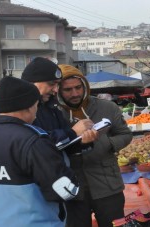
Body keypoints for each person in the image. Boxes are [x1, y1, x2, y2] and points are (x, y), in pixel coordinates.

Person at [0, 77, 79, 226]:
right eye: (36, 105)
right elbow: (65, 190)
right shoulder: (33, 140)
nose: (37, 110)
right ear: (28, 105)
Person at [57, 64, 133, 227]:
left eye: (78, 87)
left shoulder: (107, 107)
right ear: (58, 91)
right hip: (73, 189)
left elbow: (125, 134)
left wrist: (106, 143)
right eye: (68, 90)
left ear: (85, 85)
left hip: (107, 184)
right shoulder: (55, 114)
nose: (75, 93)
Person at [21, 57, 98, 165]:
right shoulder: (16, 108)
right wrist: (73, 132)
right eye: (51, 84)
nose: (56, 89)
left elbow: (63, 147)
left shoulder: (52, 107)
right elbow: (32, 143)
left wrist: (82, 141)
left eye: (57, 84)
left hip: (56, 175)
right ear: (33, 82)